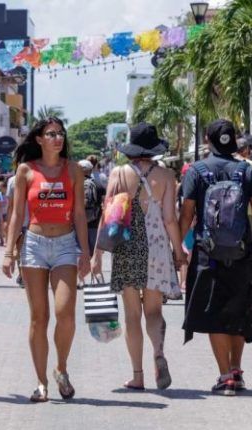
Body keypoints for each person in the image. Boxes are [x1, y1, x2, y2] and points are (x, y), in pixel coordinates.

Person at [179, 119, 252, 397]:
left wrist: (176, 248)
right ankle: (236, 370)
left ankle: (225, 377)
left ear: (207, 140)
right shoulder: (247, 171)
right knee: (237, 311)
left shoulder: (196, 171)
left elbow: (186, 215)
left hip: (207, 254)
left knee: (214, 314)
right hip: (241, 252)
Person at [92, 123, 187, 390]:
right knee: (154, 311)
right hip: (156, 246)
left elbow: (108, 215)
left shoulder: (119, 174)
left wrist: (97, 253)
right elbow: (170, 218)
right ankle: (158, 351)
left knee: (132, 314)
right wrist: (179, 251)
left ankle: (138, 375)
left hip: (127, 246)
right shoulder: (166, 176)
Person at [2, 117, 90, 402]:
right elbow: (17, 214)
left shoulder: (73, 170)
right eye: (51, 134)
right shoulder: (26, 170)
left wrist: (86, 252)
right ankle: (41, 383)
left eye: (60, 134)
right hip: (34, 245)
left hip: (65, 244)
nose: (58, 138)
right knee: (39, 317)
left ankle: (61, 368)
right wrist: (9, 252)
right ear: (39, 139)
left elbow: (79, 214)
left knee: (66, 314)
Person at [79, 159, 105, 257]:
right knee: (94, 253)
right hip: (95, 222)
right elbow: (105, 203)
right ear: (90, 170)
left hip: (79, 223)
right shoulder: (99, 184)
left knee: (79, 252)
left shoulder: (75, 184)